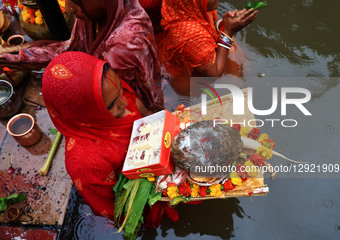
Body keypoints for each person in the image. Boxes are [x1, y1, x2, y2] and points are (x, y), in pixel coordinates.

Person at [0, 0, 163, 112]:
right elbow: (67, 49)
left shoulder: (121, 45)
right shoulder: (100, 13)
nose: (69, 7)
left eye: (76, 0)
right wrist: (12, 55)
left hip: (131, 102)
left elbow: (124, 101)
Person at [42, 51, 147, 220]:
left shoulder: (109, 87)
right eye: (112, 105)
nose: (125, 103)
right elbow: (119, 211)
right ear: (85, 114)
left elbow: (146, 113)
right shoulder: (86, 164)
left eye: (120, 88)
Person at [158, 0, 258, 95]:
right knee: (236, 83)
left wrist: (223, 23)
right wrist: (228, 32)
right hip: (190, 82)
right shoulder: (190, 35)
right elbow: (214, 73)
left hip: (197, 54)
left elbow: (210, 26)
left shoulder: (190, 7)